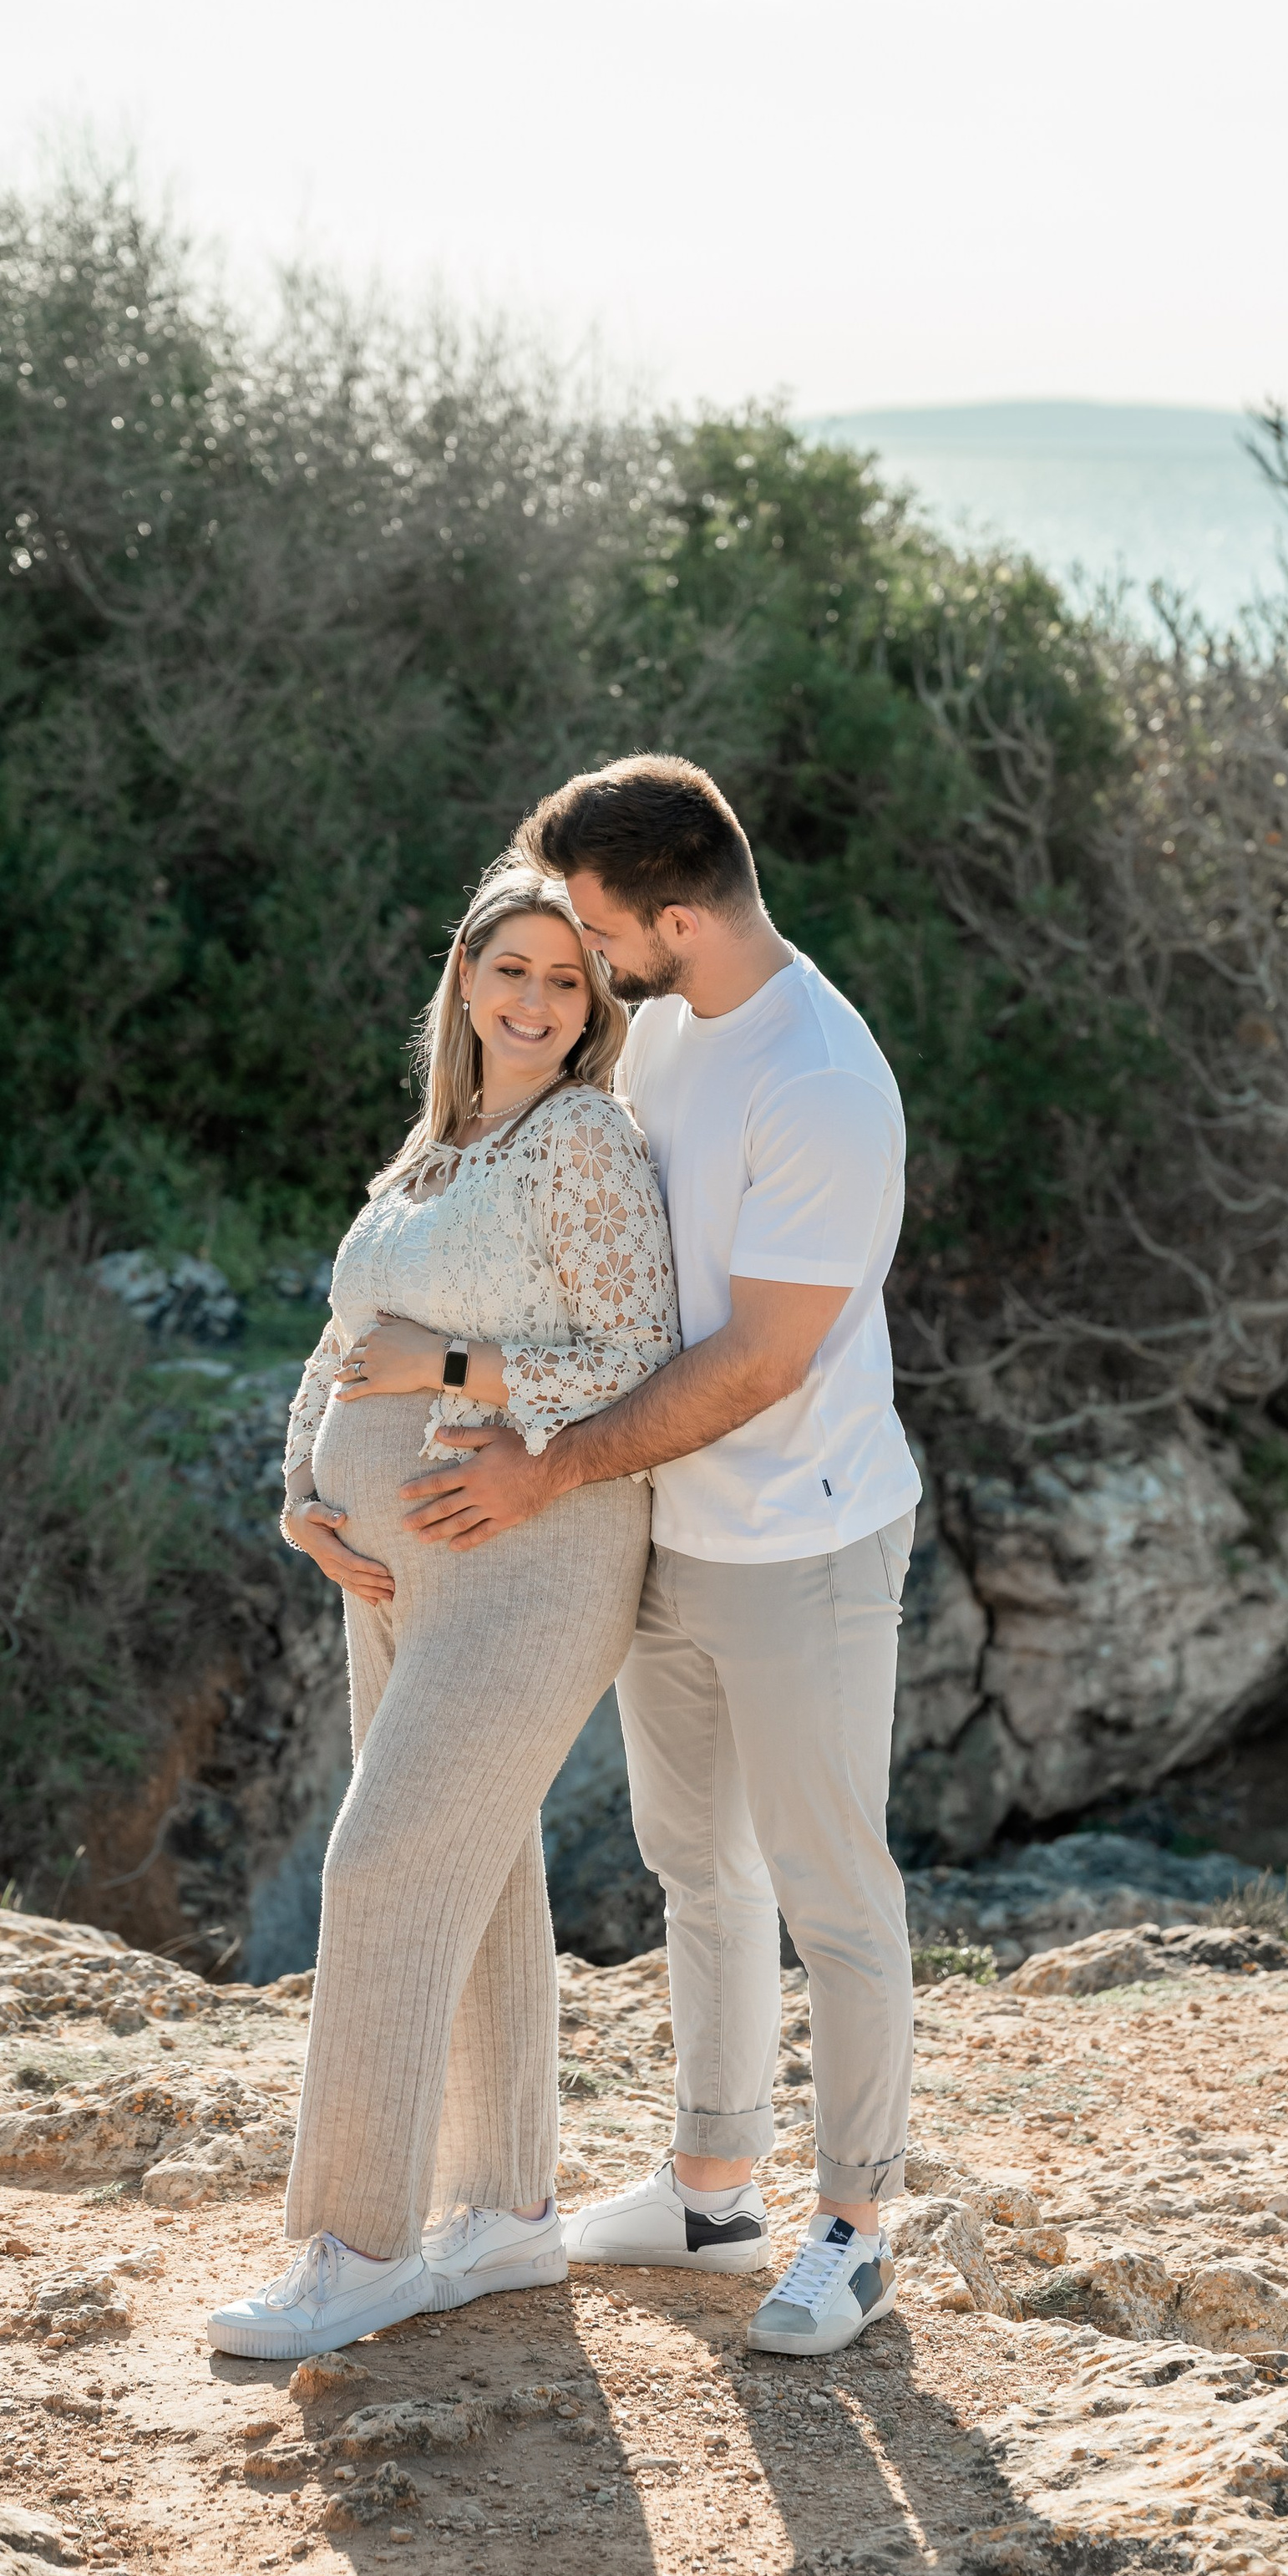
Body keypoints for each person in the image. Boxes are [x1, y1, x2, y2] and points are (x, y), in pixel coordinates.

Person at [398, 755, 920, 2360]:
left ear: (679, 916)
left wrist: (546, 1464)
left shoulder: (820, 1082)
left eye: (603, 924)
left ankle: (855, 2228)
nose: (585, 947)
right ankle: (713, 2192)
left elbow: (760, 1359)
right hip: (670, 1524)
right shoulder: (672, 1029)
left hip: (802, 1538)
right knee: (701, 1866)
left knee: (835, 1894)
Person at [205, 864, 679, 2362]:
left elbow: (637, 1353)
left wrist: (461, 1383)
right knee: (473, 1867)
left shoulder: (585, 1140)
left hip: (534, 1551)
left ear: (594, 1003)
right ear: (465, 979)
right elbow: (352, 1337)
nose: (536, 1004)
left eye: (565, 981)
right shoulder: (432, 1149)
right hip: (393, 1559)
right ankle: (509, 2209)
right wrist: (303, 1486)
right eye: (512, 973)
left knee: (387, 1863)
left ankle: (354, 2249)